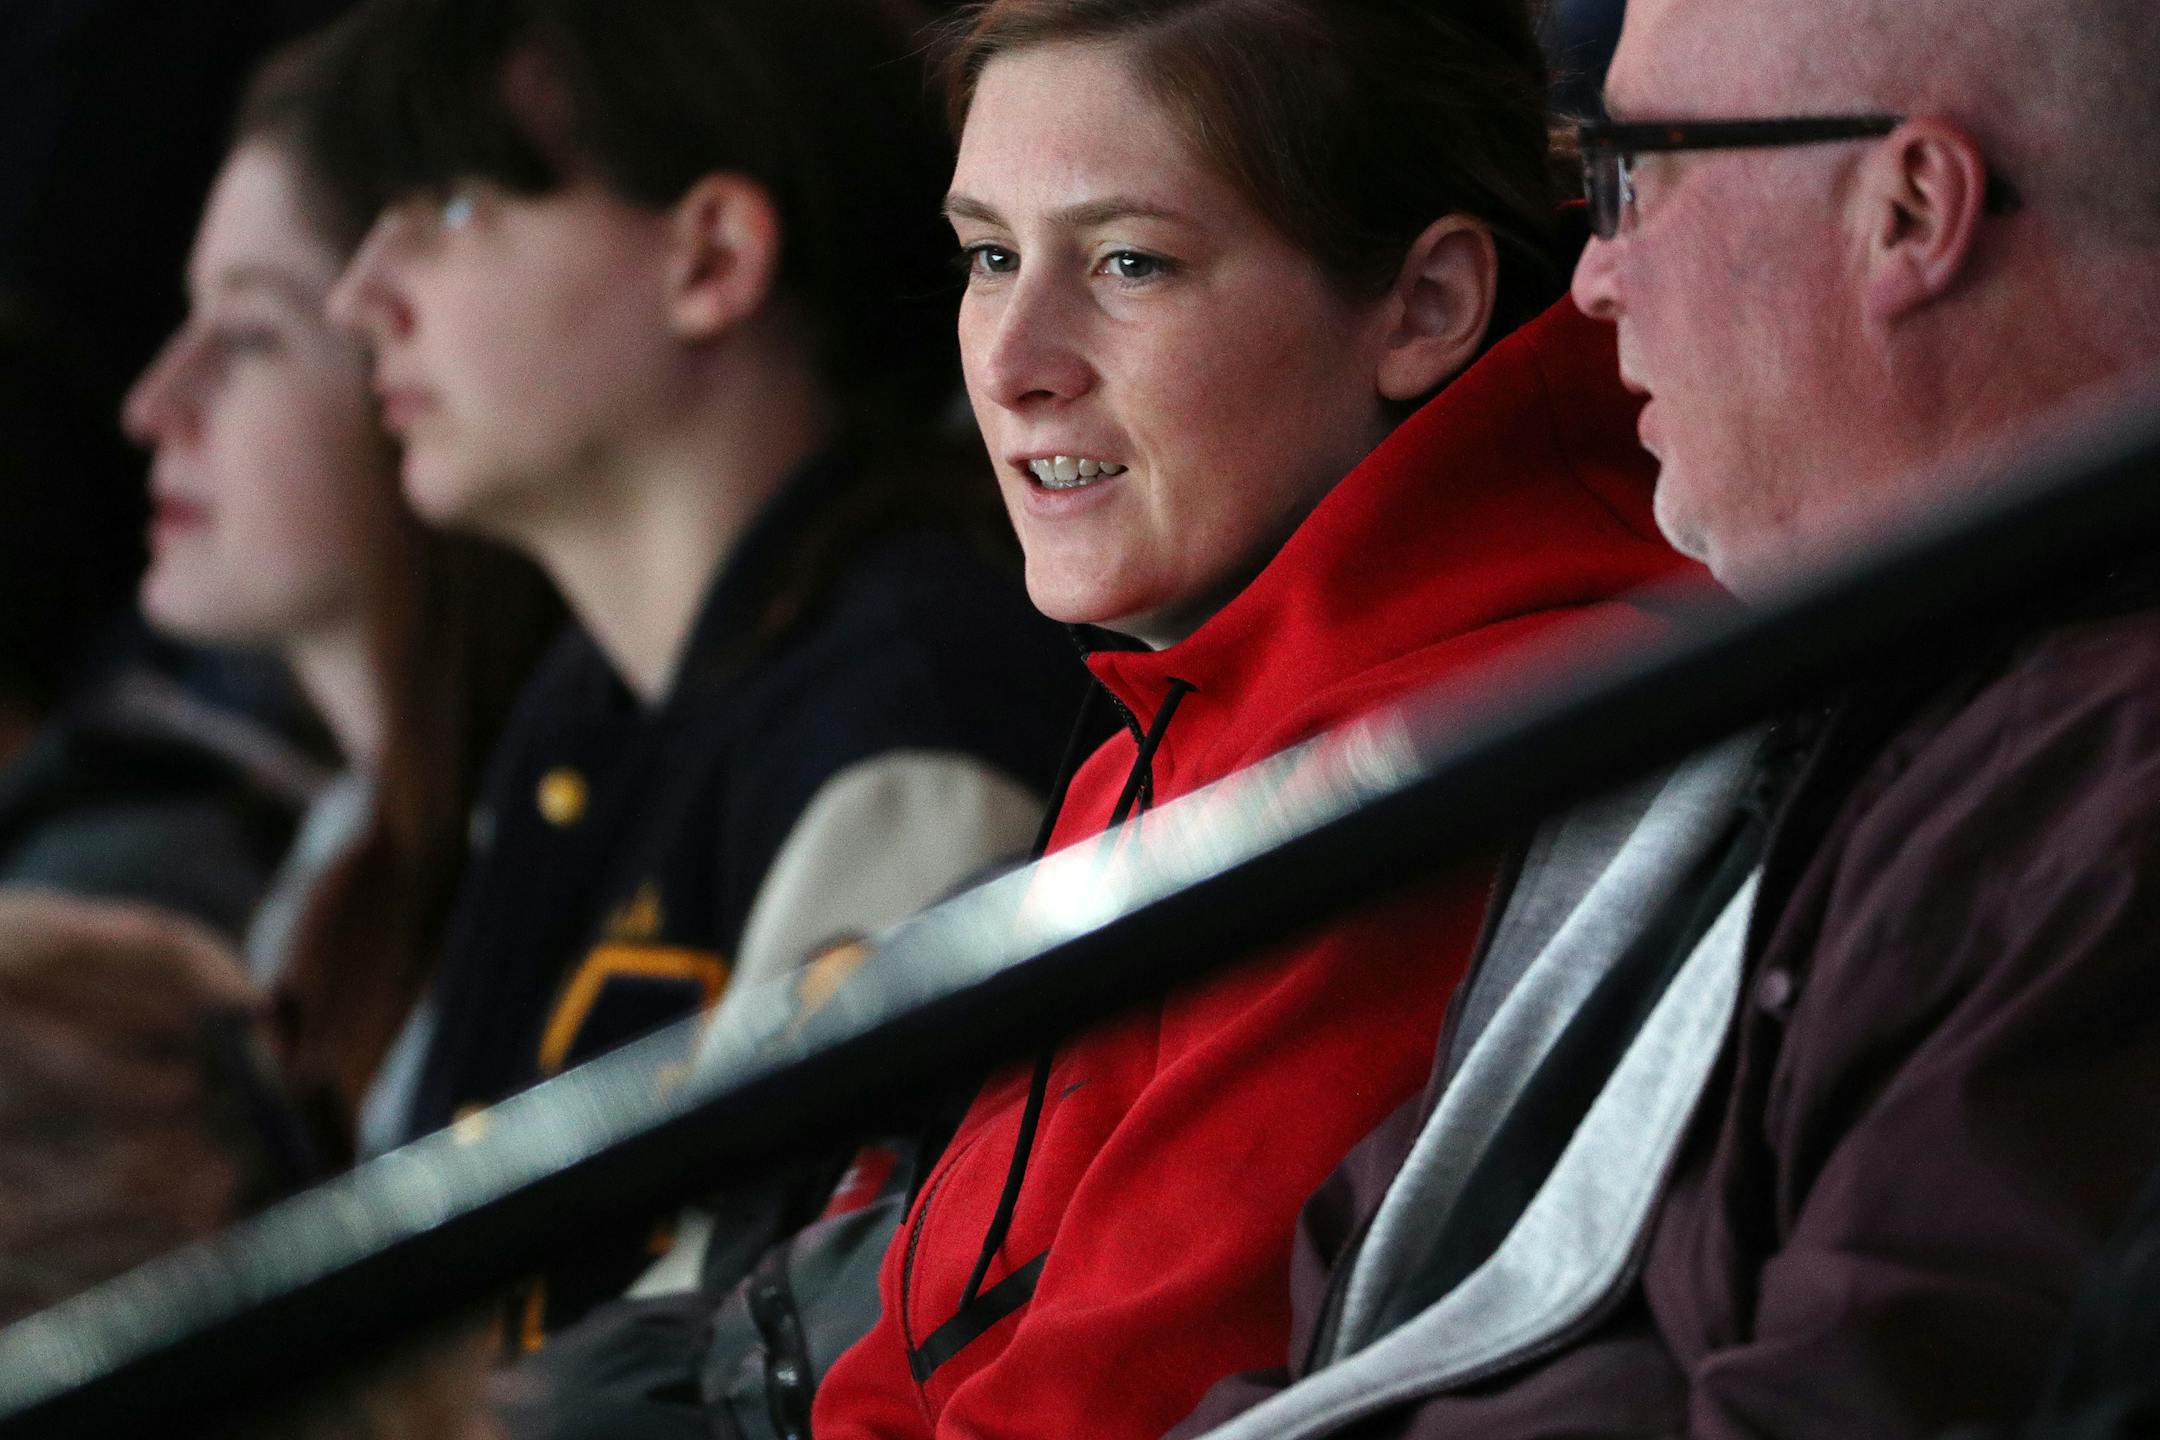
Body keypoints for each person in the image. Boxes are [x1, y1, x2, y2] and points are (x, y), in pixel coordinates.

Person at [1168, 0, 2160, 1436]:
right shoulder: (1752, 699)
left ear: (1912, 209)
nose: (1589, 279)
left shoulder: (2097, 803)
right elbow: (1368, 1305)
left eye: (1636, 169)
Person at [810, 2, 1694, 1436]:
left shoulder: (1448, 758)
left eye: (1129, 262)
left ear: (1425, 307)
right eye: (988, 255)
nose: (1014, 356)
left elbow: (1115, 1405)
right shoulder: (1176, 710)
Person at [308, 0, 1085, 1346]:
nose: (356, 294)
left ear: (711, 255)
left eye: (444, 206)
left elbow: (741, 1351)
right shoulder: (587, 695)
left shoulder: (914, 698)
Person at [112, 36, 563, 1151]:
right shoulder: (346, 841)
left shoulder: (558, 842)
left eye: (253, 332)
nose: (154, 404)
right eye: (190, 322)